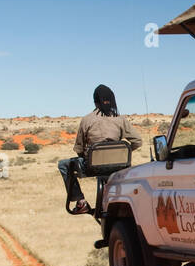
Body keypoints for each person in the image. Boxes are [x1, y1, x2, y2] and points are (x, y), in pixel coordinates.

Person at [59, 84, 141, 215]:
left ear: (95, 101)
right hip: (118, 165)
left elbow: (79, 148)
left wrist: (86, 157)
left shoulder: (87, 120)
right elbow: (137, 141)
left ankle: (80, 202)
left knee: (63, 165)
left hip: (92, 166)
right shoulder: (121, 119)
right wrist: (121, 153)